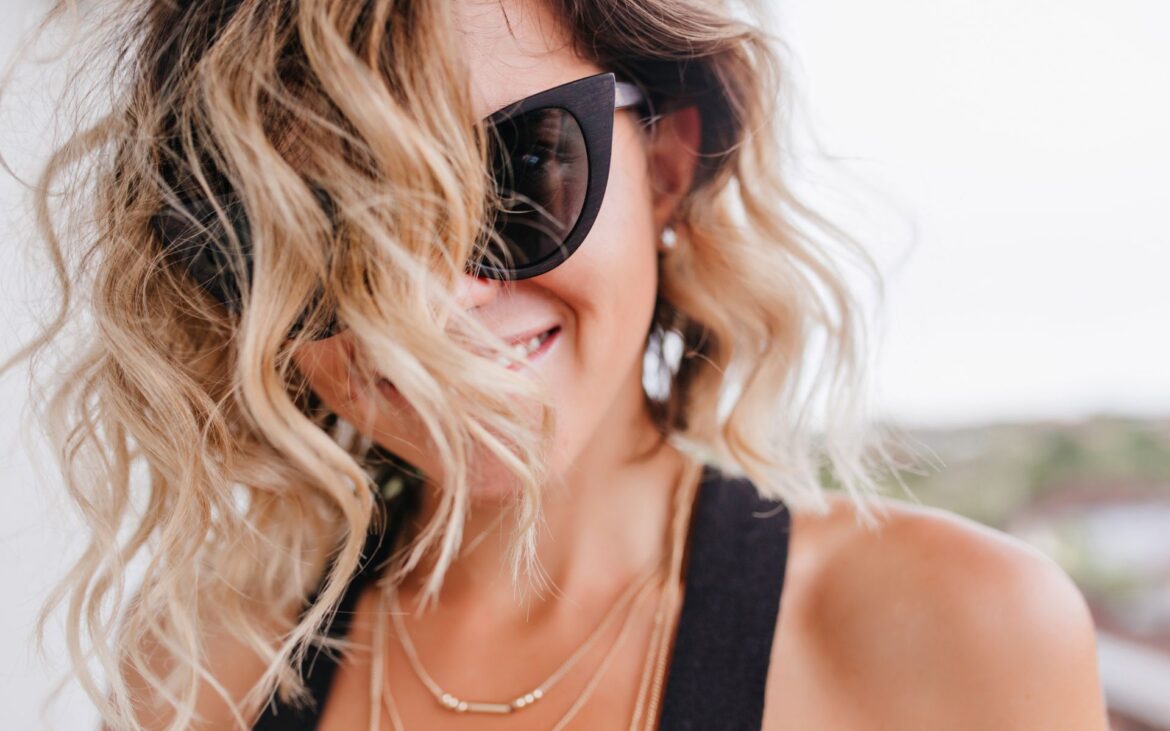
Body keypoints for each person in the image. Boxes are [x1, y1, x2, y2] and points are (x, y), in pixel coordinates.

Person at [2, 0, 1108, 729]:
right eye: (313, 227)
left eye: (517, 170)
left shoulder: (960, 634)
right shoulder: (205, 667)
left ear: (664, 166)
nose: (426, 303)